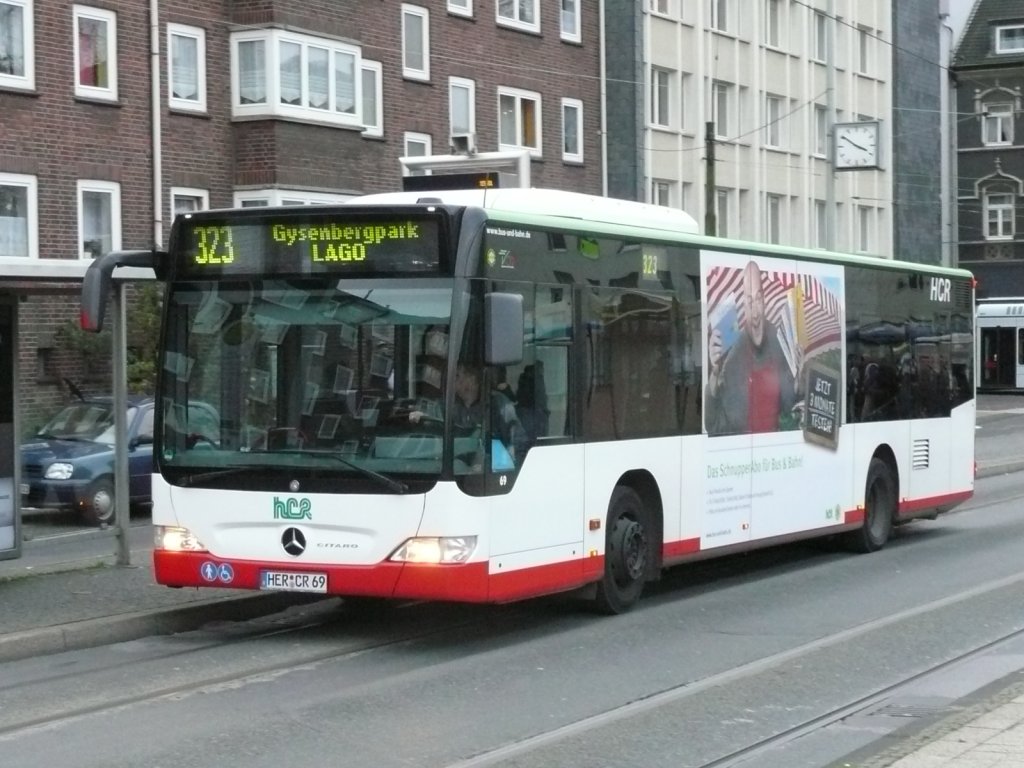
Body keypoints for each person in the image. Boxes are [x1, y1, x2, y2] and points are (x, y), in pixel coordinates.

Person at [705, 261, 801, 435]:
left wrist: (797, 378)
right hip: (742, 457)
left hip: (779, 454)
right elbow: (713, 426)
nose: (755, 312)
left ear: (764, 300)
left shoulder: (782, 344)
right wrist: (715, 371)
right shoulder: (731, 356)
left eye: (758, 299)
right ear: (743, 304)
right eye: (749, 302)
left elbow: (792, 408)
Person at [410, 363, 526, 467]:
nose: (452, 381)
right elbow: (432, 422)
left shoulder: (499, 404)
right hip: (452, 470)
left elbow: (517, 442)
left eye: (457, 376)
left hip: (488, 474)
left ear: (473, 379)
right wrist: (421, 416)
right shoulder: (446, 405)